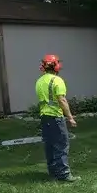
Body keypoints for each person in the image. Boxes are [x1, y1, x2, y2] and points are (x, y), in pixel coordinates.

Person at [35, 54, 79, 182]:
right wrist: (70, 117)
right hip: (56, 117)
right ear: (56, 66)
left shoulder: (39, 81)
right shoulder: (57, 81)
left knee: (50, 145)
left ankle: (53, 172)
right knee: (61, 144)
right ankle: (64, 174)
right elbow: (62, 100)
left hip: (44, 117)